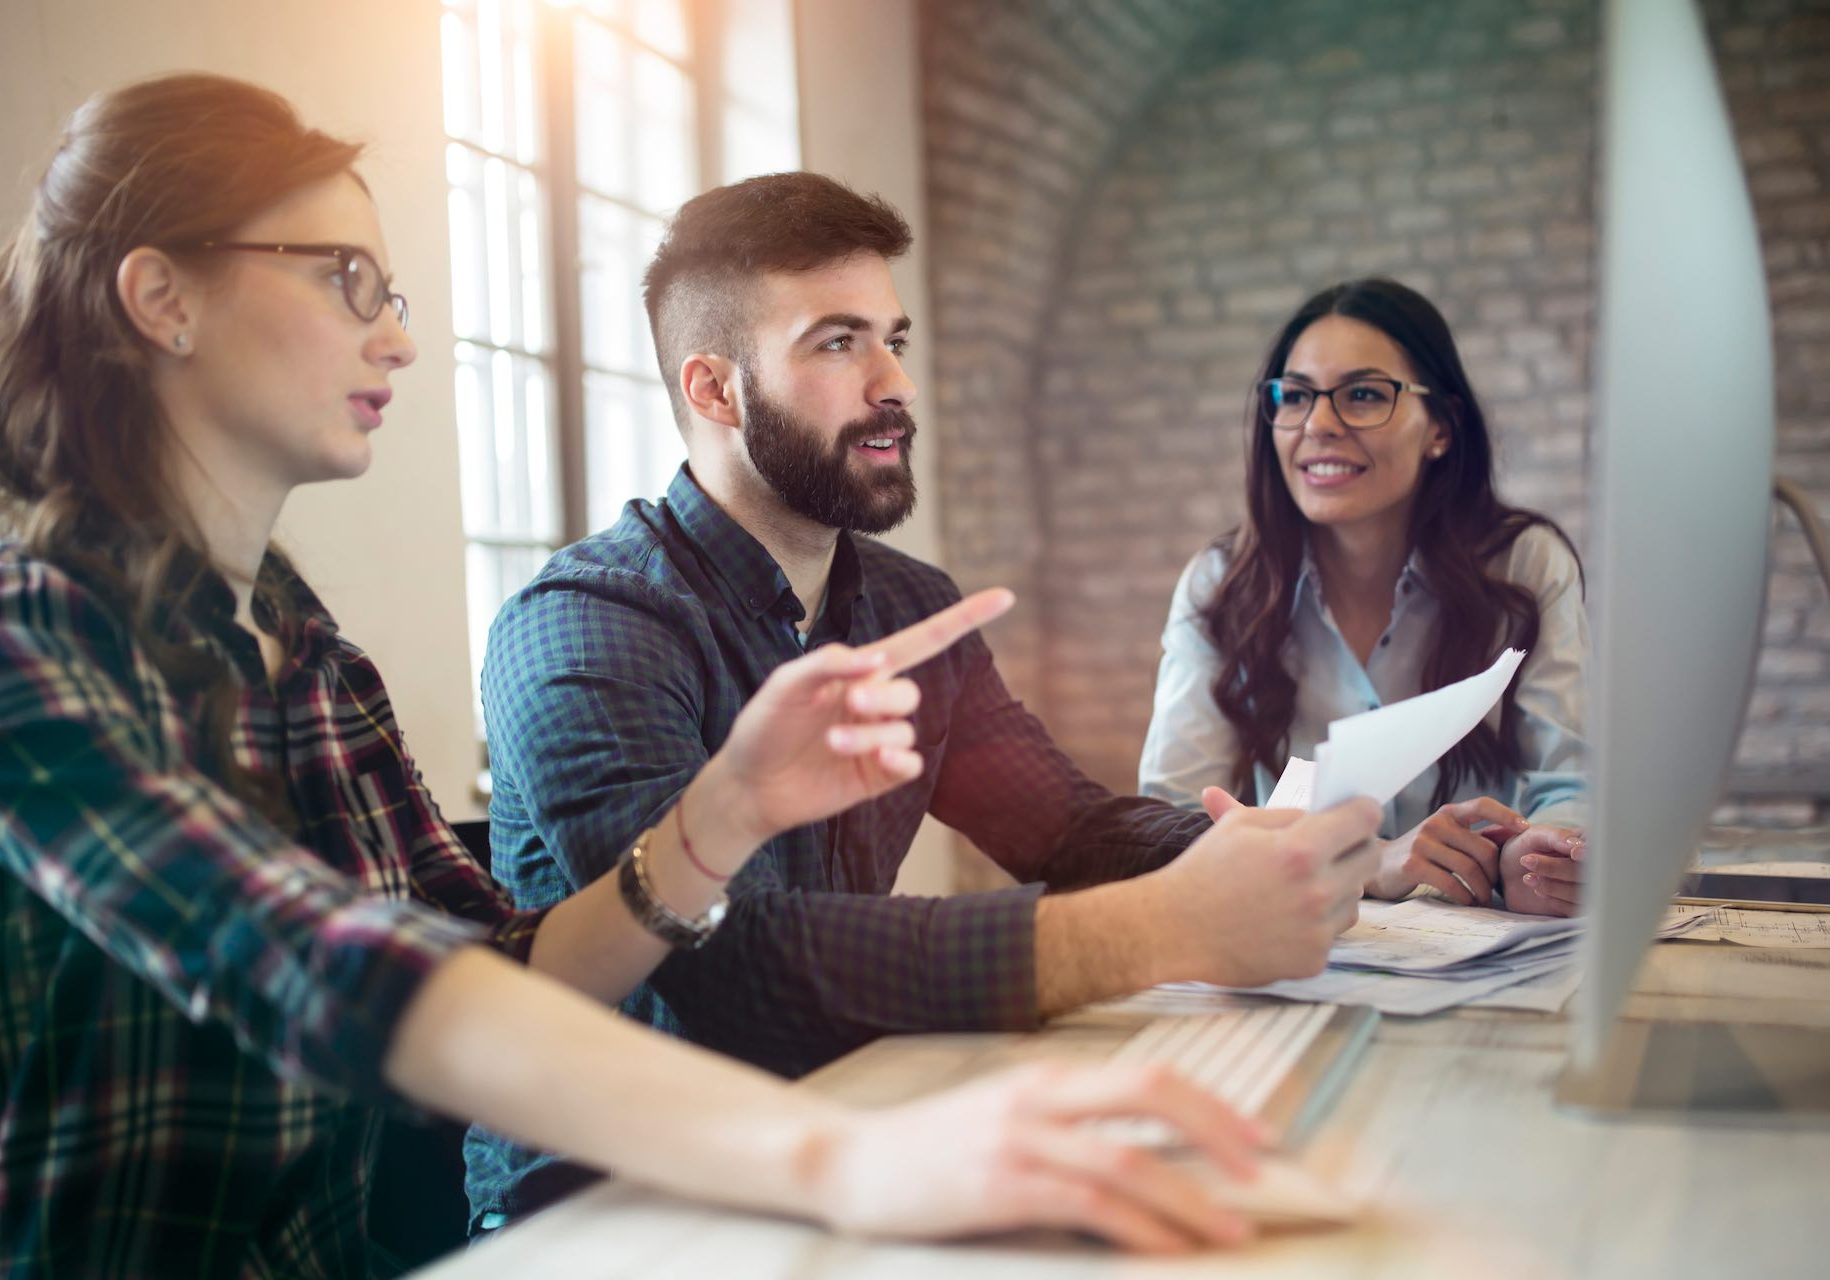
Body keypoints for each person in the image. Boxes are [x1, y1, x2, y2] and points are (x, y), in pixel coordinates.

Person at [0, 73, 1289, 1274]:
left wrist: (720, 813)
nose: (394, 341)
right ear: (162, 299)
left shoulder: (311, 651)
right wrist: (854, 1152)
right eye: (345, 279)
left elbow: (508, 967)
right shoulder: (28, 635)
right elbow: (316, 960)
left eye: (392, 295)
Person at [469, 171, 1383, 1225]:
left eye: (893, 338)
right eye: (837, 342)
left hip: (859, 1130)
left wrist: (1301, 852)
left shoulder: (908, 603)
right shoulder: (584, 626)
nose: (893, 381)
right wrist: (1161, 927)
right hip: (613, 1203)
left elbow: (1070, 828)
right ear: (716, 391)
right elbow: (731, 962)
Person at [1139, 278, 1587, 918]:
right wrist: (1365, 859)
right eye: (1295, 396)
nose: (1319, 424)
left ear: (1441, 427)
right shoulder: (1222, 586)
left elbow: (1573, 783)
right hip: (1304, 943)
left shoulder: (1523, 565)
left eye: (1364, 395)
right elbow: (1170, 820)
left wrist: (1536, 856)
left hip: (1487, 943)